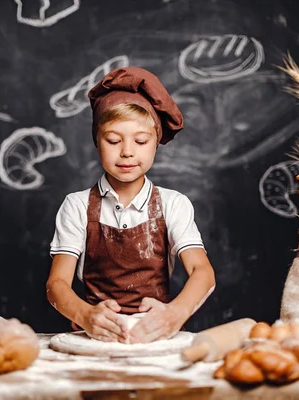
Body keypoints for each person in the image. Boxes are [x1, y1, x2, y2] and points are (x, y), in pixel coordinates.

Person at [46, 67, 216, 344]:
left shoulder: (173, 204)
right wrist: (86, 315)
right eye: (113, 140)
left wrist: (175, 314)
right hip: (93, 337)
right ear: (97, 142)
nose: (127, 151)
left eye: (140, 141)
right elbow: (57, 285)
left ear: (155, 143)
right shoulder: (76, 206)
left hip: (157, 336)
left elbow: (202, 271)